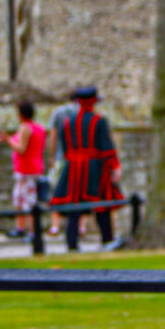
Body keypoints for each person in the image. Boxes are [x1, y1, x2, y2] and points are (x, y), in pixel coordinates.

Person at [50, 87, 124, 250]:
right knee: (101, 203)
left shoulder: (68, 123)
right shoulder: (99, 121)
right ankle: (107, 239)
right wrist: (115, 166)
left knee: (74, 205)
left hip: (73, 166)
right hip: (94, 166)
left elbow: (65, 146)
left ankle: (72, 242)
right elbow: (106, 147)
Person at [0, 101, 46, 240]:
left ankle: (33, 232)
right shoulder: (39, 128)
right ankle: (20, 228)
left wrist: (8, 140)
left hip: (26, 170)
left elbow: (21, 148)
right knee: (19, 199)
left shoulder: (25, 128)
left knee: (28, 201)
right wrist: (7, 138)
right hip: (34, 167)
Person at [45, 99, 80, 237]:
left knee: (55, 190)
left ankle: (55, 225)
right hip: (77, 159)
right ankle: (81, 227)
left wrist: (51, 156)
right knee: (78, 191)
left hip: (61, 157)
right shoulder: (82, 113)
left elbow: (53, 135)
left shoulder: (59, 113)